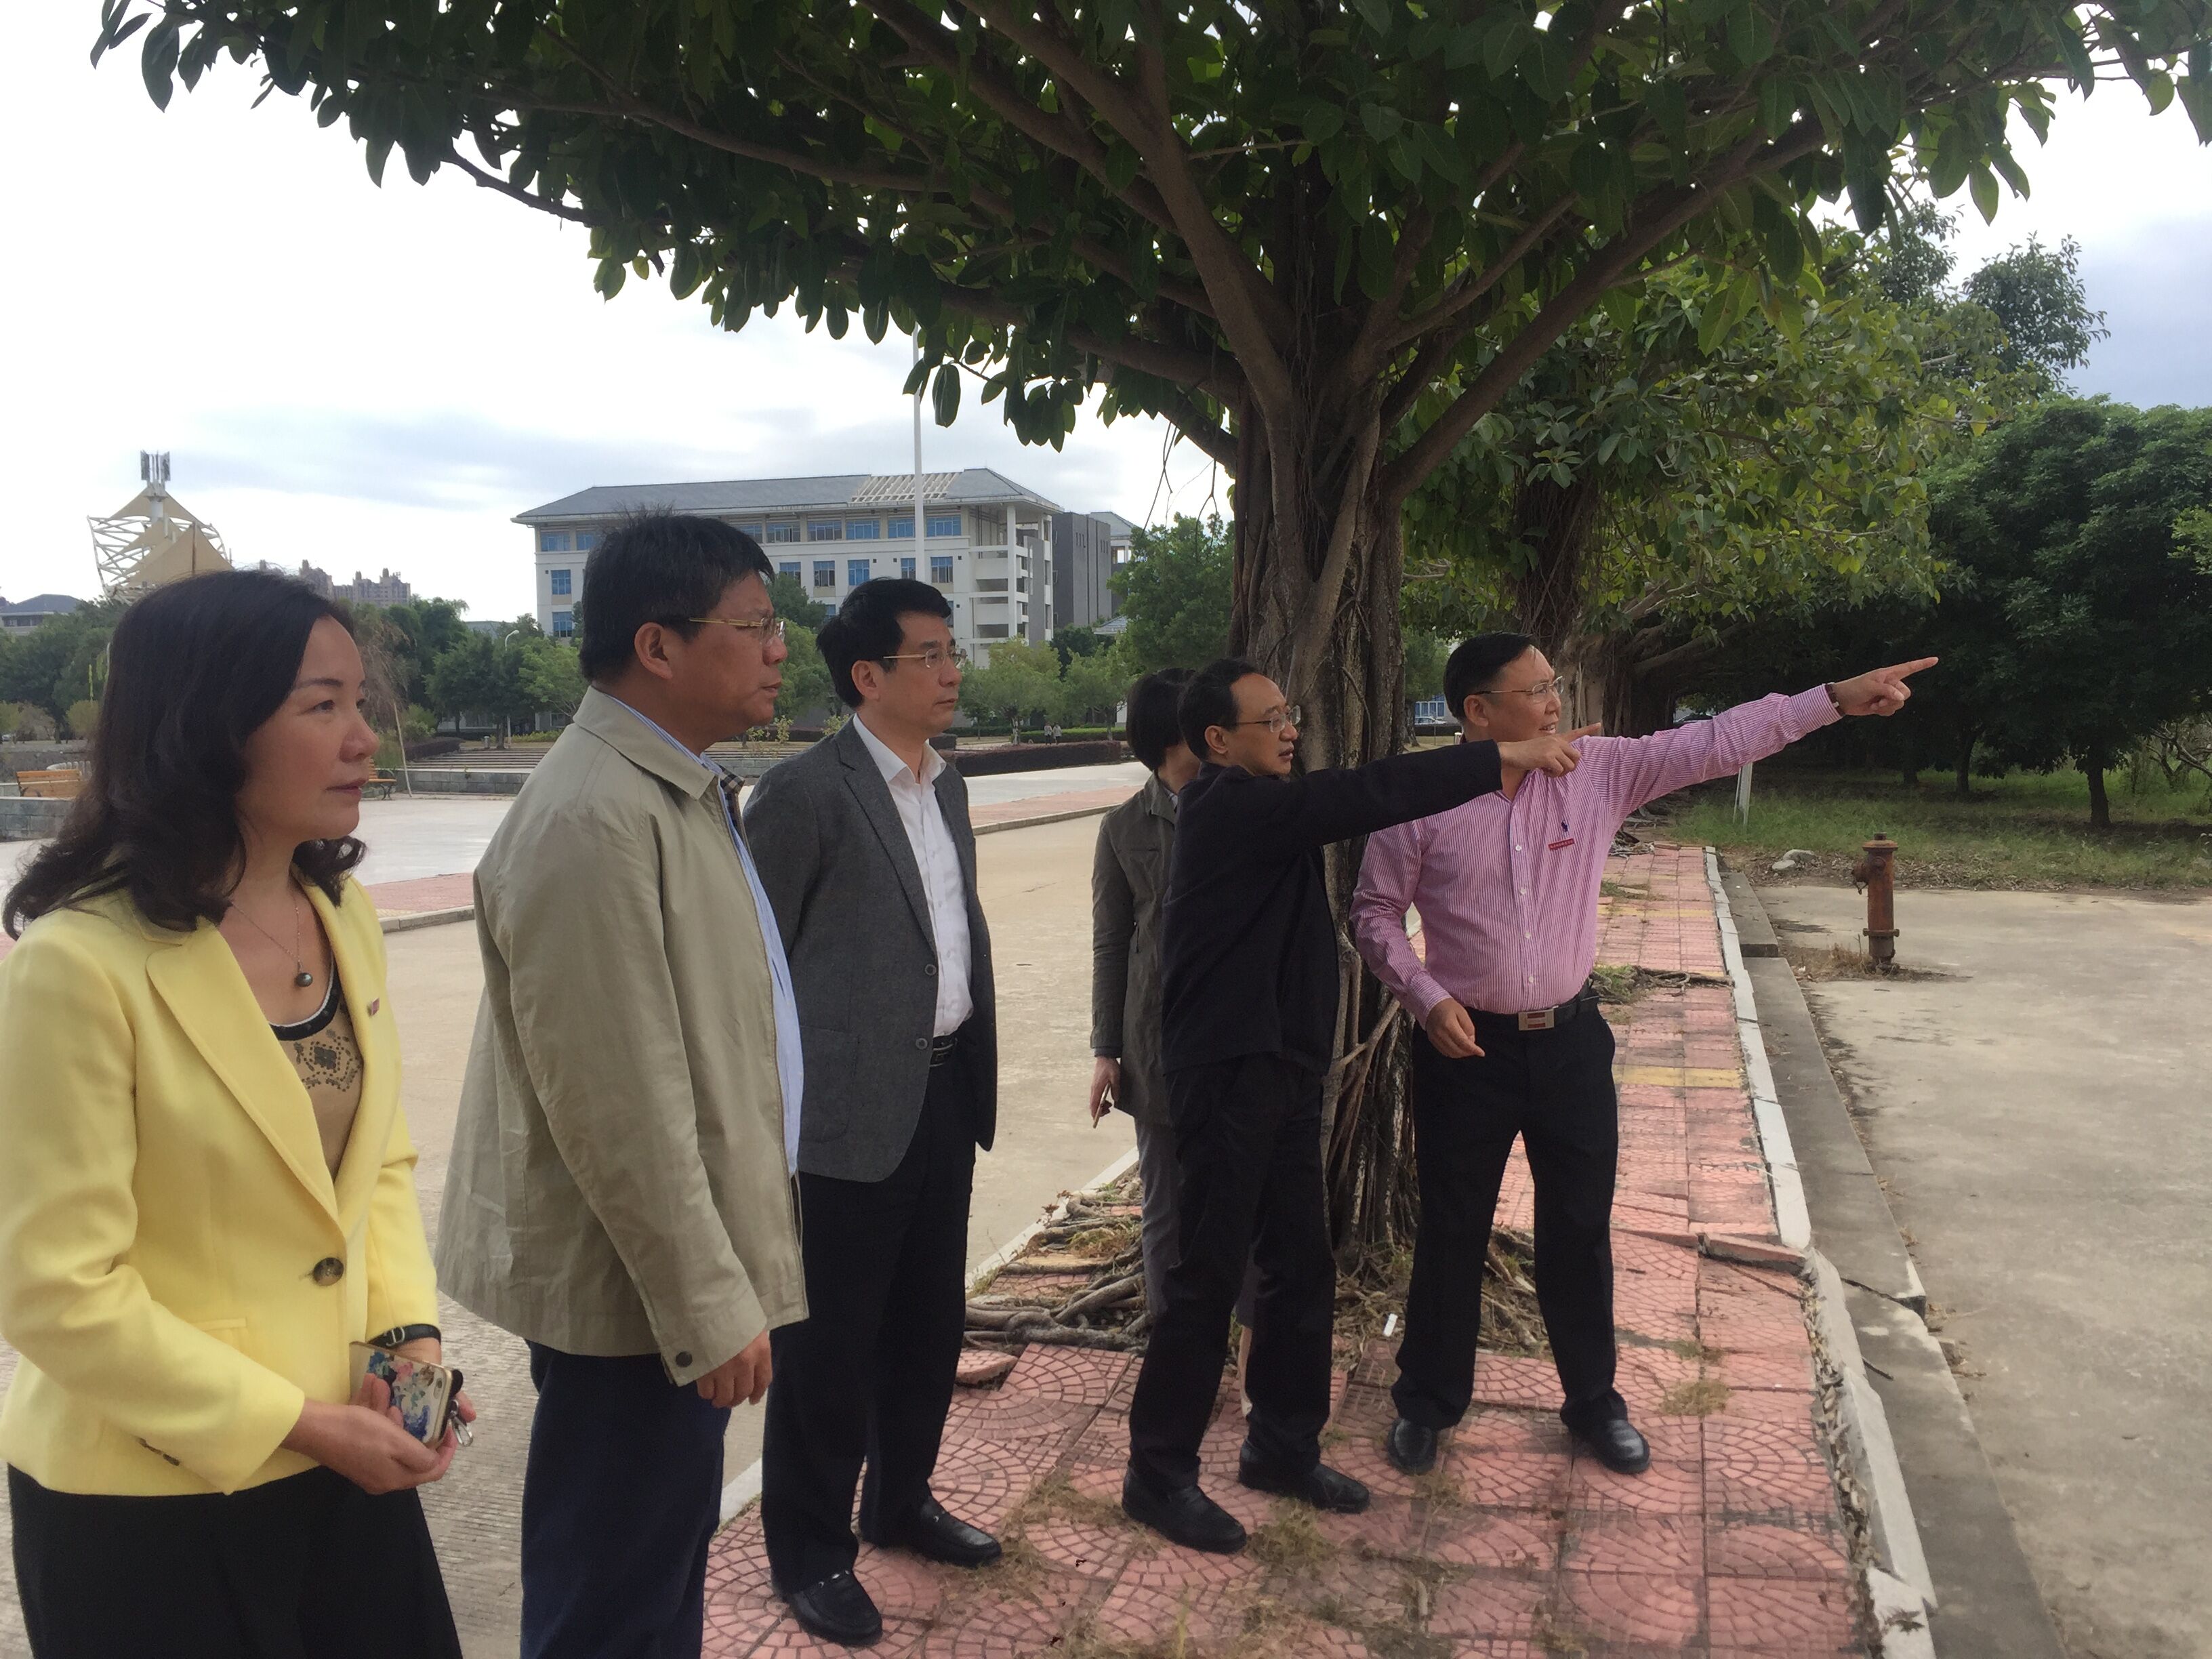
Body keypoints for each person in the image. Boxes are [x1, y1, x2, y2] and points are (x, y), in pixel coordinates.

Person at [0, 570, 467, 1657]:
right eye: (322, 705)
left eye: (360, 701)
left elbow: (379, 1169)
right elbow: (53, 1287)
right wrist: (297, 1424)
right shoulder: (79, 964)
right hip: (153, 1496)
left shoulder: (339, 914)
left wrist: (409, 1346)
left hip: (349, 1451)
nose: (364, 738)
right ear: (208, 728)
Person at [1351, 634, 1936, 1479]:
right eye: (1535, 691)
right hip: (1463, 1048)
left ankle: (1594, 1403)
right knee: (1452, 1227)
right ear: (1478, 712)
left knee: (1579, 1226)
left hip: (1571, 1047)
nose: (1556, 704)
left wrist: (1835, 699)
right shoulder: (1422, 799)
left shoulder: (1597, 773)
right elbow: (1374, 913)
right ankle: (1428, 1403)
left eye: (1554, 685)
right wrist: (1424, 994)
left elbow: (1715, 742)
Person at [436, 514, 808, 1659]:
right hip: (635, 1297)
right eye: (753, 626)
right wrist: (708, 1302)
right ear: (657, 645)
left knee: (651, 1571)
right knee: (612, 1599)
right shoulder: (592, 817)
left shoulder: (668, 789)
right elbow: (620, 1105)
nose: (778, 651)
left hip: (669, 1275)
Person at [1120, 658, 1593, 1555]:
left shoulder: (1266, 802)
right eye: (1269, 720)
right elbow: (1368, 792)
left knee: (1301, 1265)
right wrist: (1501, 756)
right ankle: (1158, 1472)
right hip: (1227, 1076)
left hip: (1285, 1069)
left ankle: (1282, 1447)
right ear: (1217, 741)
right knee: (1207, 1277)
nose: (1290, 730)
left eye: (1289, 713)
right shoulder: (1226, 806)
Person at [745, 578, 1001, 1647]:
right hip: (845, 1119)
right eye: (929, 655)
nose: (952, 672)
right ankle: (809, 1553)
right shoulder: (802, 795)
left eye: (952, 651)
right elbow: (755, 968)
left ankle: (900, 1502)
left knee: (927, 1324)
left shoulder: (947, 785)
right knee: (829, 1350)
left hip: (944, 1093)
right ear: (867, 676)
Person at [1089, 668, 1200, 1317]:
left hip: (1238, 1045)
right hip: (1155, 1046)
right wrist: (1106, 1051)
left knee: (1248, 1204)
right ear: (1173, 737)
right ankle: (1174, 1343)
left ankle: (1249, 1349)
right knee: (1165, 1211)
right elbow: (1110, 944)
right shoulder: (1123, 827)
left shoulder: (1248, 804)